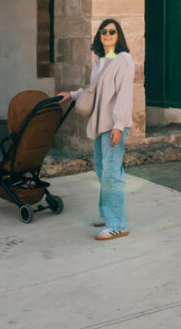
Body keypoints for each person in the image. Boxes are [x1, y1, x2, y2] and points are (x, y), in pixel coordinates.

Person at [58, 18, 135, 241]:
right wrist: (72, 95)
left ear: (118, 36)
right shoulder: (101, 60)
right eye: (103, 31)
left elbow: (124, 96)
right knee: (102, 170)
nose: (107, 35)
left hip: (113, 125)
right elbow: (93, 90)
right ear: (99, 36)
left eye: (112, 31)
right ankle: (107, 214)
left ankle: (117, 225)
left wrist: (119, 125)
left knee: (112, 174)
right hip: (99, 124)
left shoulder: (124, 60)